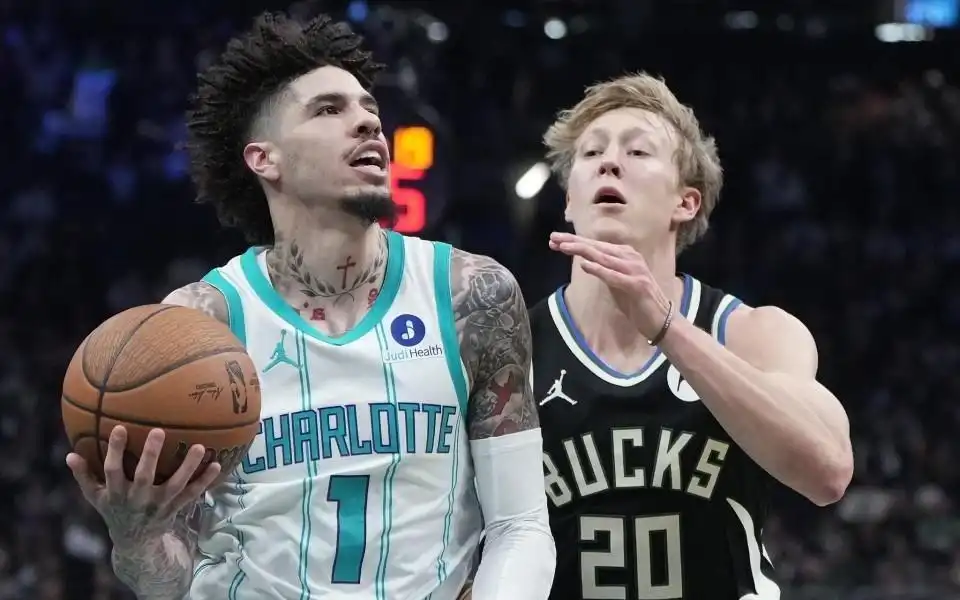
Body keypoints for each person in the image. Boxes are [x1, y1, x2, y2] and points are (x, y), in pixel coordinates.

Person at [65, 10, 555, 600]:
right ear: (263, 159)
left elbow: (519, 526)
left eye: (369, 109)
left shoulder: (471, 296)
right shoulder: (202, 324)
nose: (368, 123)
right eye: (328, 110)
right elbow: (168, 582)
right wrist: (136, 536)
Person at [528, 73, 854, 599]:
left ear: (686, 202)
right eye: (592, 152)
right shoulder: (513, 345)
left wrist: (667, 327)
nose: (610, 162)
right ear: (569, 200)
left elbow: (827, 473)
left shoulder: (752, 332)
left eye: (638, 151)